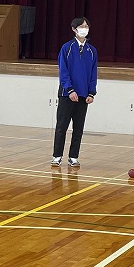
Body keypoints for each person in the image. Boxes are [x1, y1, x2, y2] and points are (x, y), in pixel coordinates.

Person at [51, 17, 97, 167]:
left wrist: (91, 93)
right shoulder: (67, 48)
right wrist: (70, 89)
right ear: (74, 29)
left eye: (86, 26)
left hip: (83, 96)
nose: (84, 29)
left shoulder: (92, 51)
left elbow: (93, 73)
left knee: (78, 128)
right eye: (81, 26)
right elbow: (63, 71)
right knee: (61, 127)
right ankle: (57, 156)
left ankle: (73, 157)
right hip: (67, 95)